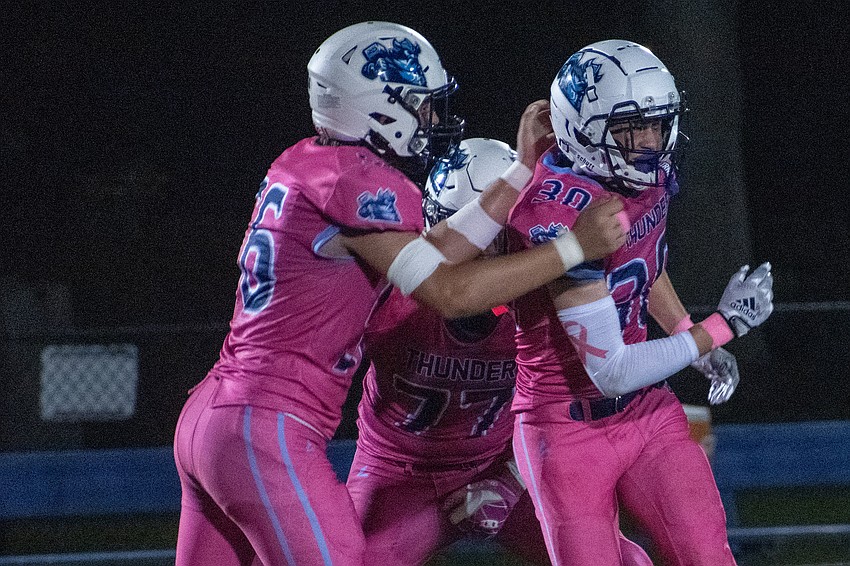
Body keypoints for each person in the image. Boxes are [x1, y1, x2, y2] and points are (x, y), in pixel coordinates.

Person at [172, 22, 626, 566]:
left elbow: (430, 252)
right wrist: (573, 248)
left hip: (214, 415)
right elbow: (451, 293)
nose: (431, 119)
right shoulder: (361, 180)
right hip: (266, 424)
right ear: (378, 107)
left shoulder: (306, 161)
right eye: (420, 104)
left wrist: (520, 171)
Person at [505, 40, 774, 565]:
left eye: (657, 124)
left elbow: (643, 266)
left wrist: (684, 334)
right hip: (566, 427)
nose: (650, 141)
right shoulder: (556, 213)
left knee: (708, 556)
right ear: (582, 130)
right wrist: (723, 326)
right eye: (630, 130)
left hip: (647, 412)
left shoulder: (641, 180)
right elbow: (612, 371)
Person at [346, 138, 653, 565]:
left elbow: (567, 410)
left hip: (504, 463)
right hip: (398, 472)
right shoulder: (395, 300)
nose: (485, 252)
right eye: (475, 235)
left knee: (624, 561)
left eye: (500, 236)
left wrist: (511, 479)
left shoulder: (548, 299)